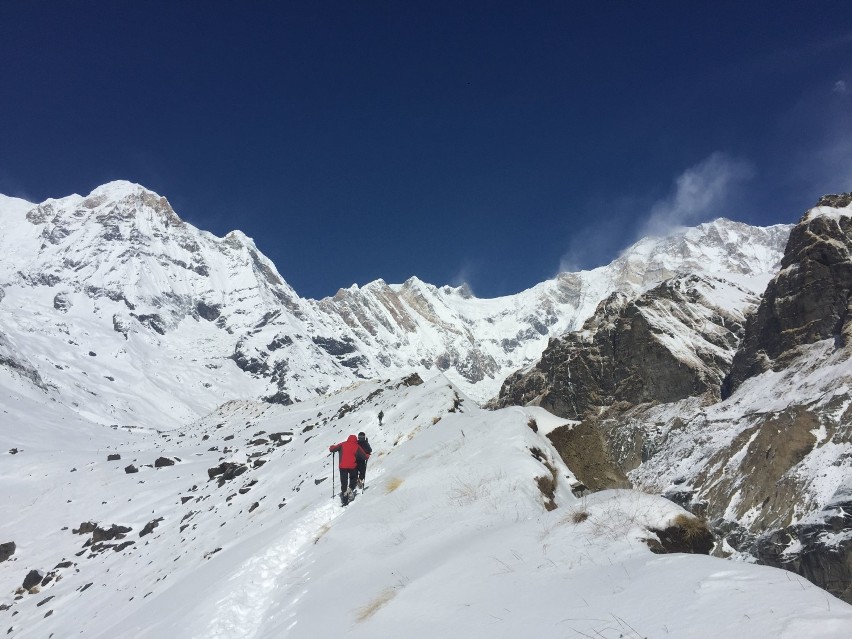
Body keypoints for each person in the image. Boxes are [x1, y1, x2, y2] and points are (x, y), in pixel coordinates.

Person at [329, 434, 368, 505]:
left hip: (342, 466)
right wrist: (367, 456)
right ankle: (350, 490)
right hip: (352, 466)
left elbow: (332, 449)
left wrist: (331, 447)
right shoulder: (357, 446)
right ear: (356, 440)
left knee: (344, 481)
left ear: (348, 439)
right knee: (353, 478)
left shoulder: (343, 444)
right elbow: (364, 456)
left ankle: (344, 497)